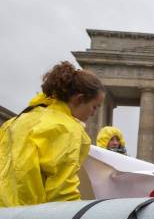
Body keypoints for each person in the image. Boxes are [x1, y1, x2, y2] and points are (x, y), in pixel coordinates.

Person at [0, 61, 105, 207]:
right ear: (79, 99)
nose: (94, 113)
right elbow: (62, 192)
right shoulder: (66, 129)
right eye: (94, 107)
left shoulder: (18, 120)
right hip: (29, 217)